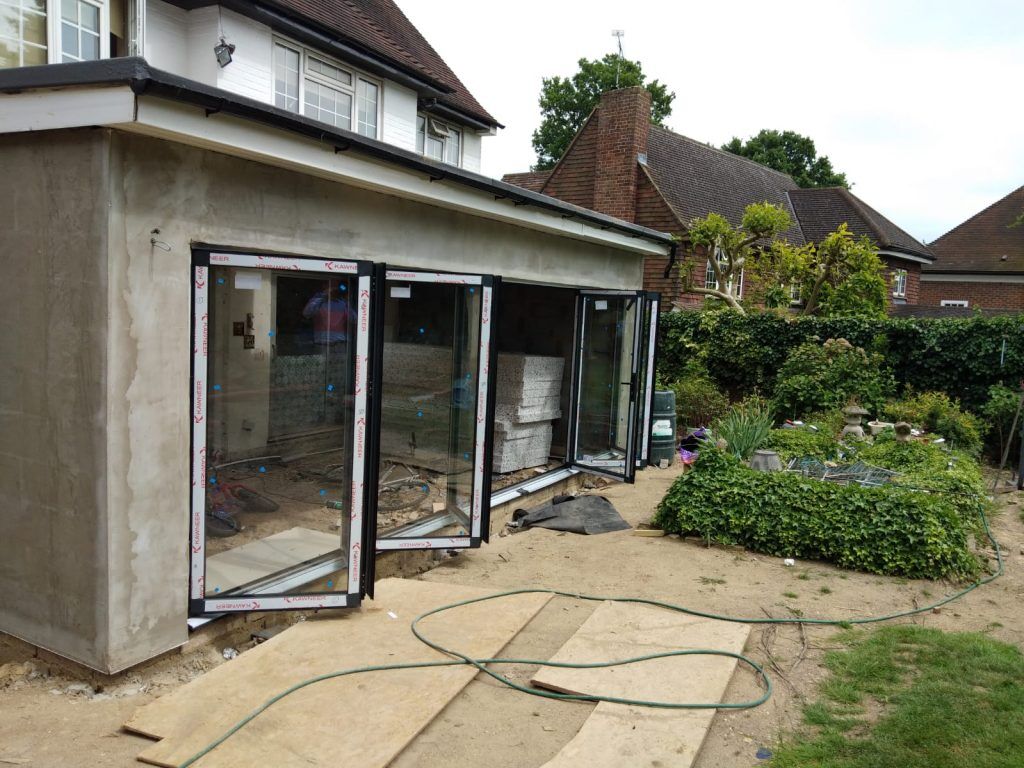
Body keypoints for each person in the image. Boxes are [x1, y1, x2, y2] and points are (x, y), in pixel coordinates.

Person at [302, 280, 355, 346]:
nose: (334, 289)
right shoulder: (319, 300)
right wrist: (324, 296)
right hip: (322, 342)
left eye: (336, 286)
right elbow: (307, 313)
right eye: (332, 286)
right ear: (325, 286)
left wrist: (346, 300)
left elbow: (354, 319)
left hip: (341, 343)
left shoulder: (343, 303)